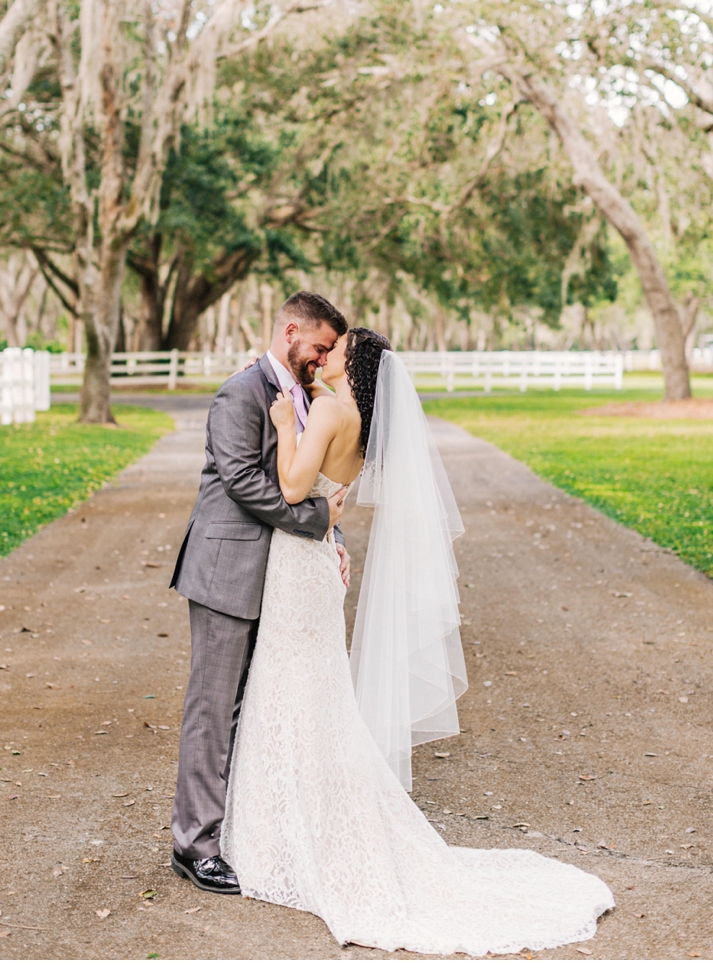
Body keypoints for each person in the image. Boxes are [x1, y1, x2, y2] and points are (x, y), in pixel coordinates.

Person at [220, 327, 615, 956]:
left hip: (297, 566)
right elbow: (330, 490)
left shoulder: (325, 409)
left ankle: (286, 835)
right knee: (315, 691)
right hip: (320, 562)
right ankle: (302, 822)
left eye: (333, 352)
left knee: (292, 688)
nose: (322, 358)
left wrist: (280, 423)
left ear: (351, 365)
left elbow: (293, 488)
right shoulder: (361, 424)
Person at [168, 291, 350, 894]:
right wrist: (316, 523)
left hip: (276, 573)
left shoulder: (300, 396)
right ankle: (194, 846)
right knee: (212, 711)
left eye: (329, 352)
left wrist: (333, 532)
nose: (322, 360)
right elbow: (245, 480)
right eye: (318, 347)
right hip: (226, 571)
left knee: (252, 706)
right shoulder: (239, 393)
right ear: (291, 331)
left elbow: (304, 475)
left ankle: (239, 831)